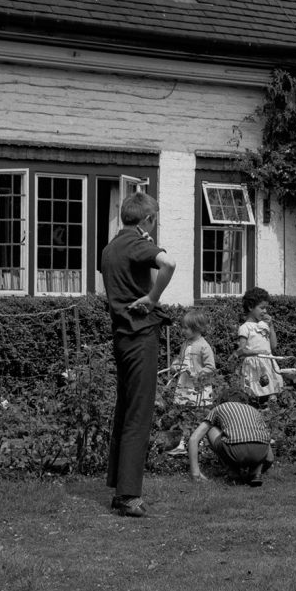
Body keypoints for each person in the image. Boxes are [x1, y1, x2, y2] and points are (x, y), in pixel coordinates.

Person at [100, 189, 176, 518]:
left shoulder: (110, 247)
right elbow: (168, 263)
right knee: (139, 414)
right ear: (147, 219)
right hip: (140, 333)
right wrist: (154, 298)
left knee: (126, 409)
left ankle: (120, 488)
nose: (154, 225)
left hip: (121, 334)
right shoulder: (134, 241)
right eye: (154, 220)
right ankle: (129, 495)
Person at [188, 392, 274, 487]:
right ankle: (255, 473)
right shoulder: (254, 411)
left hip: (235, 451)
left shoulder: (220, 408)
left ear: (222, 401)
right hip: (261, 451)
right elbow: (269, 457)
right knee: (258, 436)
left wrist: (195, 473)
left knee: (210, 428)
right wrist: (261, 465)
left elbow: (193, 439)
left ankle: (233, 472)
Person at [235, 287, 284, 400]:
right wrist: (256, 352)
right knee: (257, 394)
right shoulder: (245, 328)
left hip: (268, 363)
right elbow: (241, 351)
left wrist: (271, 326)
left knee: (272, 394)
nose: (265, 311)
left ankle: (271, 414)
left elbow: (273, 346)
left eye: (266, 308)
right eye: (262, 308)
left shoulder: (264, 325)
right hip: (254, 366)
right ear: (251, 307)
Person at [171, 309, 216, 407]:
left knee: (198, 405)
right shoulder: (185, 343)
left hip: (198, 383)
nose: (182, 331)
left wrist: (198, 374)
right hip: (184, 380)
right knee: (183, 404)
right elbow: (180, 358)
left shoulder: (204, 346)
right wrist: (175, 365)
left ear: (197, 328)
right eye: (182, 327)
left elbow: (211, 367)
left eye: (186, 328)